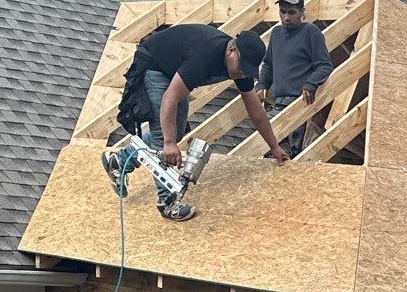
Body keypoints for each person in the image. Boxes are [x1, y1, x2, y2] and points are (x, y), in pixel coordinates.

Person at [104, 23, 289, 218]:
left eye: (247, 71)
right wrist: (168, 143)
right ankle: (167, 202)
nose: (242, 73)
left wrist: (274, 146)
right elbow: (169, 98)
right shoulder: (203, 56)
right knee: (164, 135)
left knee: (176, 130)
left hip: (175, 70)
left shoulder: (239, 68)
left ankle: (120, 160)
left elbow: (256, 111)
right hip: (155, 67)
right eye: (242, 68)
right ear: (232, 50)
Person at [254, 0, 333, 155]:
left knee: (290, 151)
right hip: (277, 102)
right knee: (269, 148)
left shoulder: (311, 32)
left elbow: (324, 65)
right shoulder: (276, 33)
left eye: (291, 12)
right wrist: (261, 85)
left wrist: (310, 83)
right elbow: (268, 64)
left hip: (299, 103)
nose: (286, 17)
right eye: (282, 12)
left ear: (302, 11)